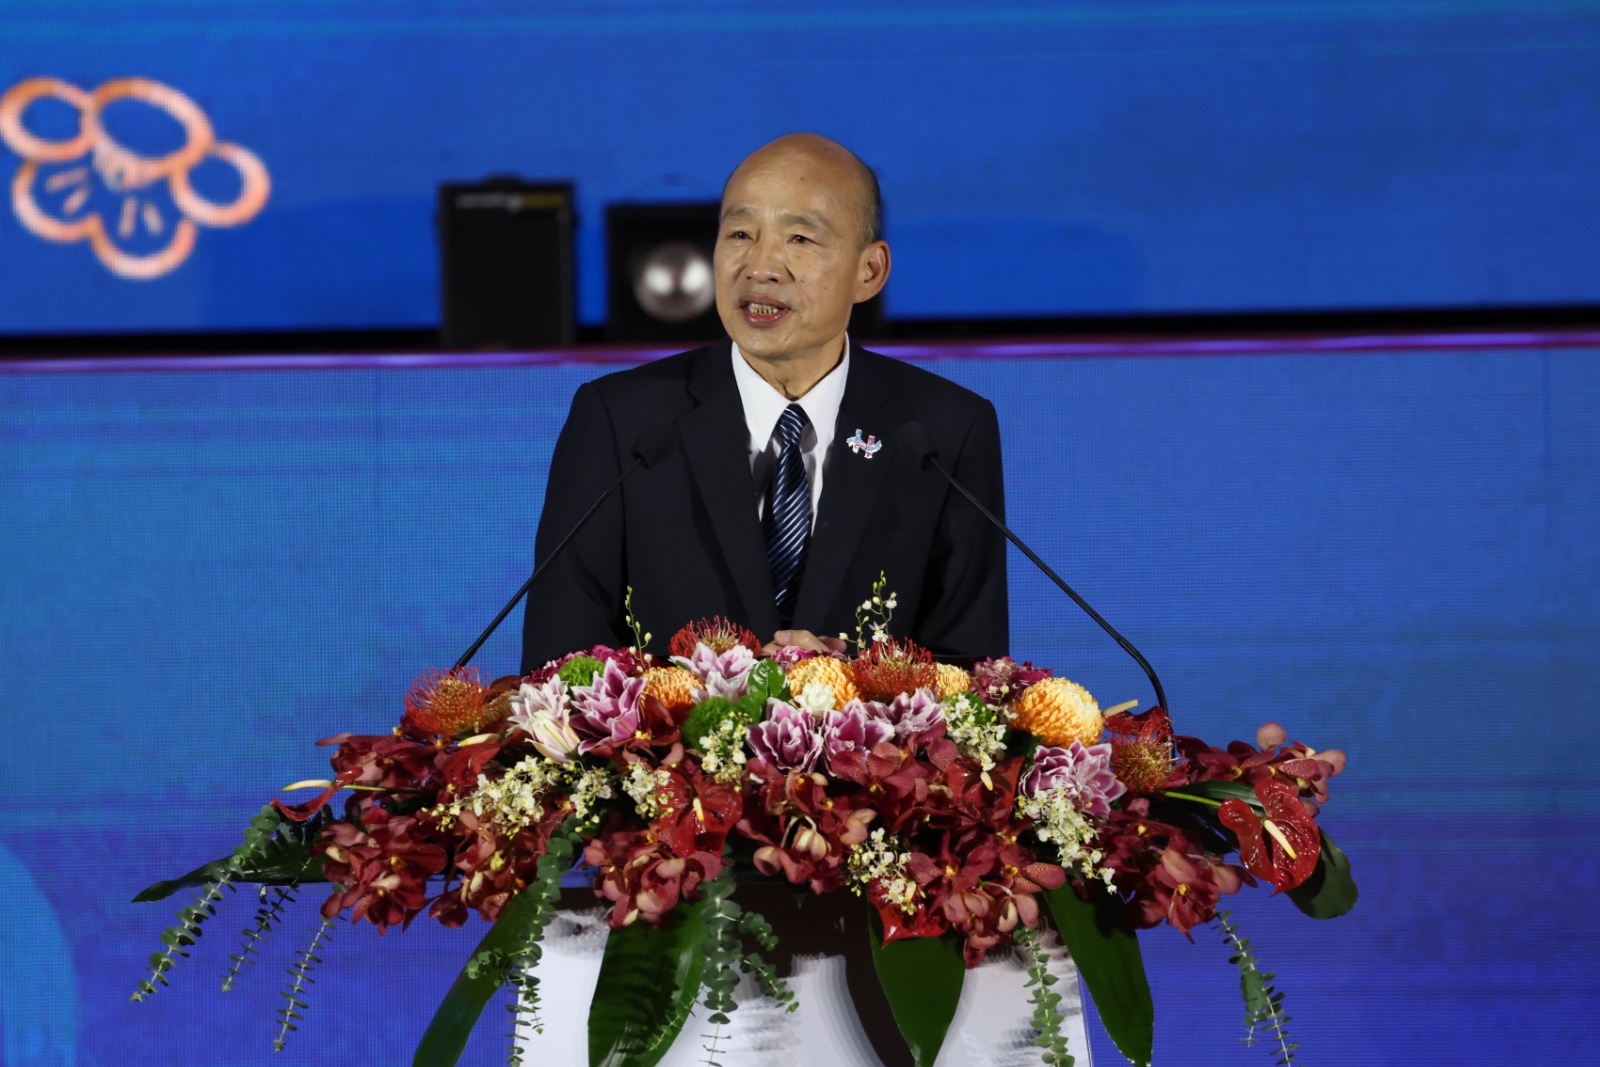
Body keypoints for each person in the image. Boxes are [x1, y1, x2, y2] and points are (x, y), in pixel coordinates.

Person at [520, 133, 1008, 673]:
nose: (761, 267)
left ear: (869, 271)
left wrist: (844, 687)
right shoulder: (623, 423)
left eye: (800, 238)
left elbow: (972, 676)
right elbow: (559, 667)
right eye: (740, 234)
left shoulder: (943, 432)